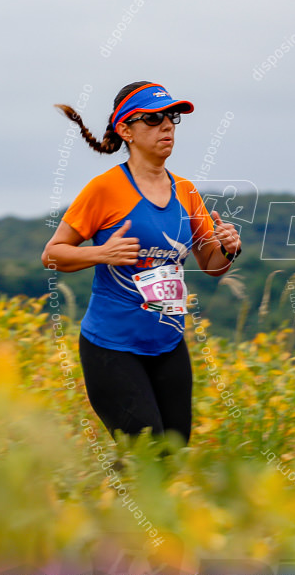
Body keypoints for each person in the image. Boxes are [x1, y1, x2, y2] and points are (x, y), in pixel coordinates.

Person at [42, 81, 242, 446]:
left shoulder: (186, 191)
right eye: (152, 119)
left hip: (167, 343)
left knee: (174, 450)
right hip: (112, 346)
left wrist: (228, 248)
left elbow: (212, 265)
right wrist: (101, 253)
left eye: (171, 118)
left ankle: (111, 501)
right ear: (125, 130)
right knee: (148, 453)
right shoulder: (104, 190)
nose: (166, 126)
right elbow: (52, 254)